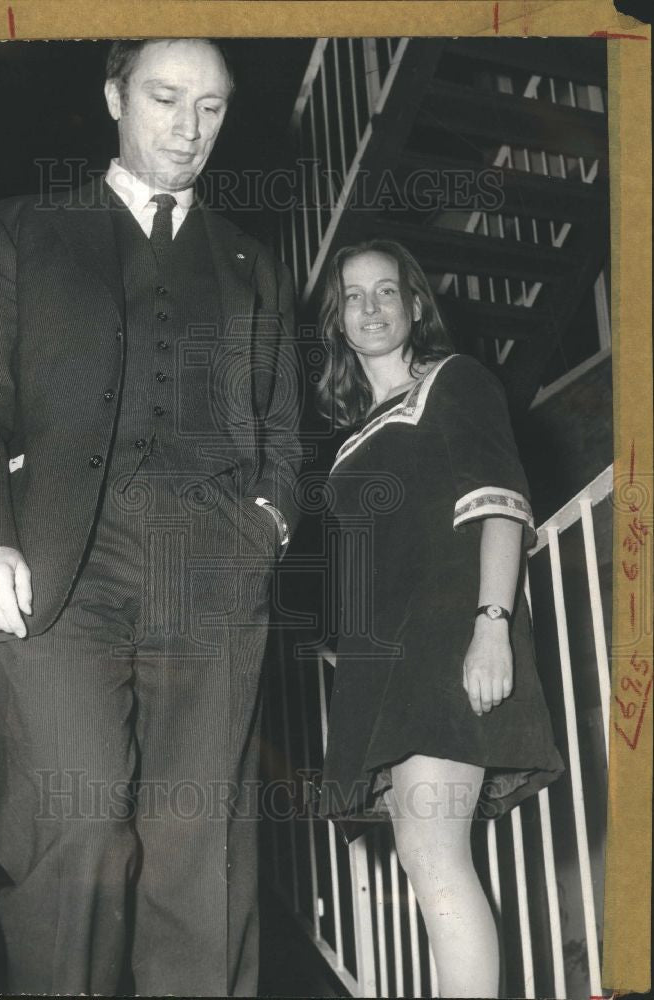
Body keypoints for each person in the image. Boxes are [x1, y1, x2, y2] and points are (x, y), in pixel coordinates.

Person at [0, 38, 301, 997]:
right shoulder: (15, 231)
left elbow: (283, 428)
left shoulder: (255, 263)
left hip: (214, 572)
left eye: (212, 108)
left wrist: (267, 527)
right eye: (164, 98)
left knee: (201, 845)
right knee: (76, 826)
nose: (187, 130)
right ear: (112, 95)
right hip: (65, 569)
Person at [316, 239, 563, 998]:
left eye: (386, 290)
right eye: (353, 297)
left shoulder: (455, 382)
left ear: (415, 304)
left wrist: (493, 624)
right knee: (426, 864)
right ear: (339, 323)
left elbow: (501, 504)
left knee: (435, 854)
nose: (370, 307)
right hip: (379, 671)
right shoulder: (345, 442)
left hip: (444, 647)